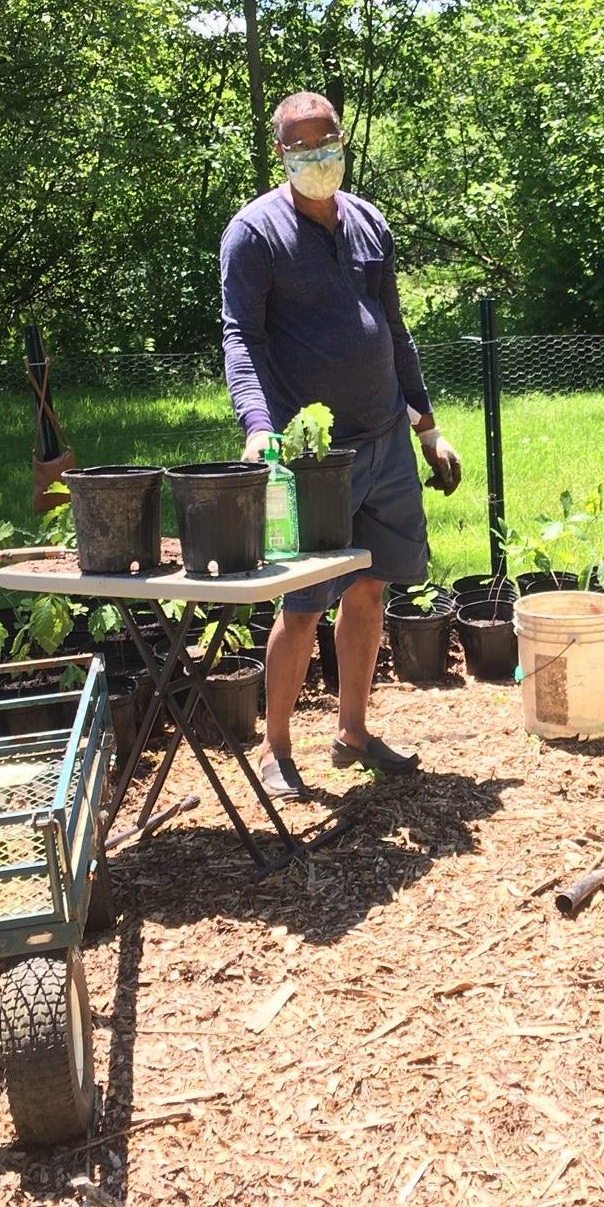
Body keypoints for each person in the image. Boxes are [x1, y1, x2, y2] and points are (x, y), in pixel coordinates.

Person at [220, 90, 462, 798]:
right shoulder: (254, 234)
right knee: (301, 606)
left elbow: (394, 329)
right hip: (311, 459)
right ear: (280, 153)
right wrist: (259, 428)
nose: (317, 157)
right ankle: (277, 749)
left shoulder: (367, 222)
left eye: (326, 143)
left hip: (385, 439)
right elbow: (243, 339)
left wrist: (426, 425)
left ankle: (354, 733)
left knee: (370, 588)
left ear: (342, 140)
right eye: (302, 148)